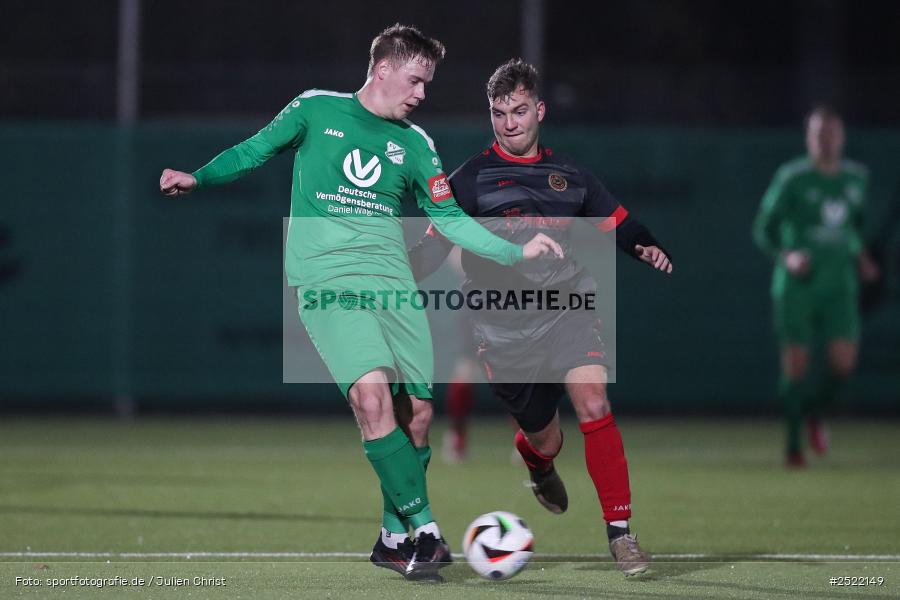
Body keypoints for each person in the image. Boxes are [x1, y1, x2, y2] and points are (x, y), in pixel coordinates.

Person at [159, 25, 562, 582]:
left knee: (417, 416)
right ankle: (426, 531)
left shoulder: (416, 144)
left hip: (395, 288)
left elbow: (448, 220)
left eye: (427, 83)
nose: (421, 93)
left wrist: (515, 253)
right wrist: (199, 178)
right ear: (383, 69)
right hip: (328, 281)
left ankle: (392, 540)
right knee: (371, 399)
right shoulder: (315, 109)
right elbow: (255, 149)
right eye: (415, 80)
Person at [408, 59, 672, 576]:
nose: (509, 123)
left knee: (594, 402)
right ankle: (536, 459)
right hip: (502, 328)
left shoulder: (569, 175)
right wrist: (392, 273)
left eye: (520, 111)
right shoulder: (469, 179)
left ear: (540, 111)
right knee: (547, 439)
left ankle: (621, 533)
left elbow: (619, 221)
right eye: (499, 113)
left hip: (566, 308)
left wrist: (644, 245)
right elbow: (435, 247)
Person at [753, 106, 879, 467]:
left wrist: (861, 257)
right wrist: (788, 256)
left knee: (843, 366)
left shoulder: (857, 178)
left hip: (839, 286)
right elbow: (763, 229)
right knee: (796, 366)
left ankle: (813, 412)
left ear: (842, 137)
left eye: (831, 133)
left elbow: (852, 230)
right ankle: (793, 448)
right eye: (818, 134)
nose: (825, 141)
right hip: (798, 286)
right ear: (809, 138)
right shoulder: (792, 177)